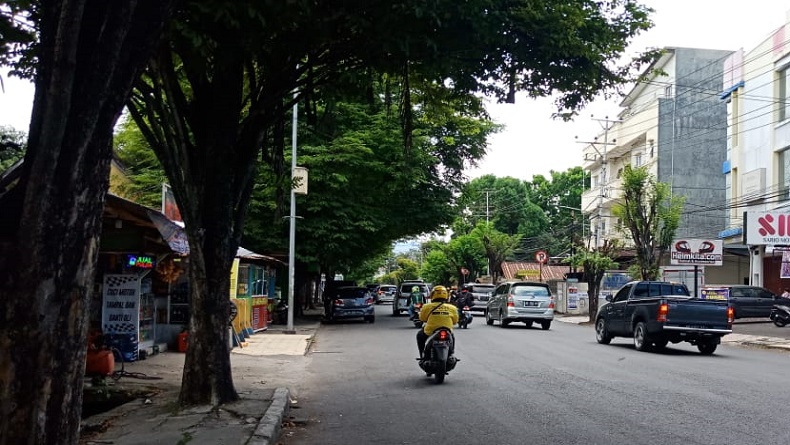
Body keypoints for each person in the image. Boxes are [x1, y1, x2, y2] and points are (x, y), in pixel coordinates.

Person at [416, 285, 458, 359]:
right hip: (447, 330)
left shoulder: (426, 306)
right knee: (452, 337)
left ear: (433, 295)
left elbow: (422, 318)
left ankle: (422, 355)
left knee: (420, 335)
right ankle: (451, 353)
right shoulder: (452, 308)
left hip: (430, 331)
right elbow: (455, 321)